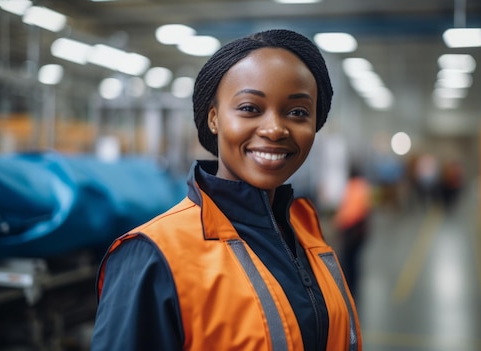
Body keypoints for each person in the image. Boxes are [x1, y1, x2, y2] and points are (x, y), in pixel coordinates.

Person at [90, 29, 362, 351]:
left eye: (298, 112)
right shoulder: (154, 256)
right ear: (214, 118)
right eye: (250, 108)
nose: (275, 129)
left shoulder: (306, 233)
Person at [333, 164, 372, 299]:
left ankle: (349, 287)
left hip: (351, 229)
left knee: (347, 259)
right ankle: (352, 287)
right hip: (360, 230)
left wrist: (338, 223)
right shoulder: (364, 186)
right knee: (353, 259)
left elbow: (349, 210)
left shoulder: (353, 186)